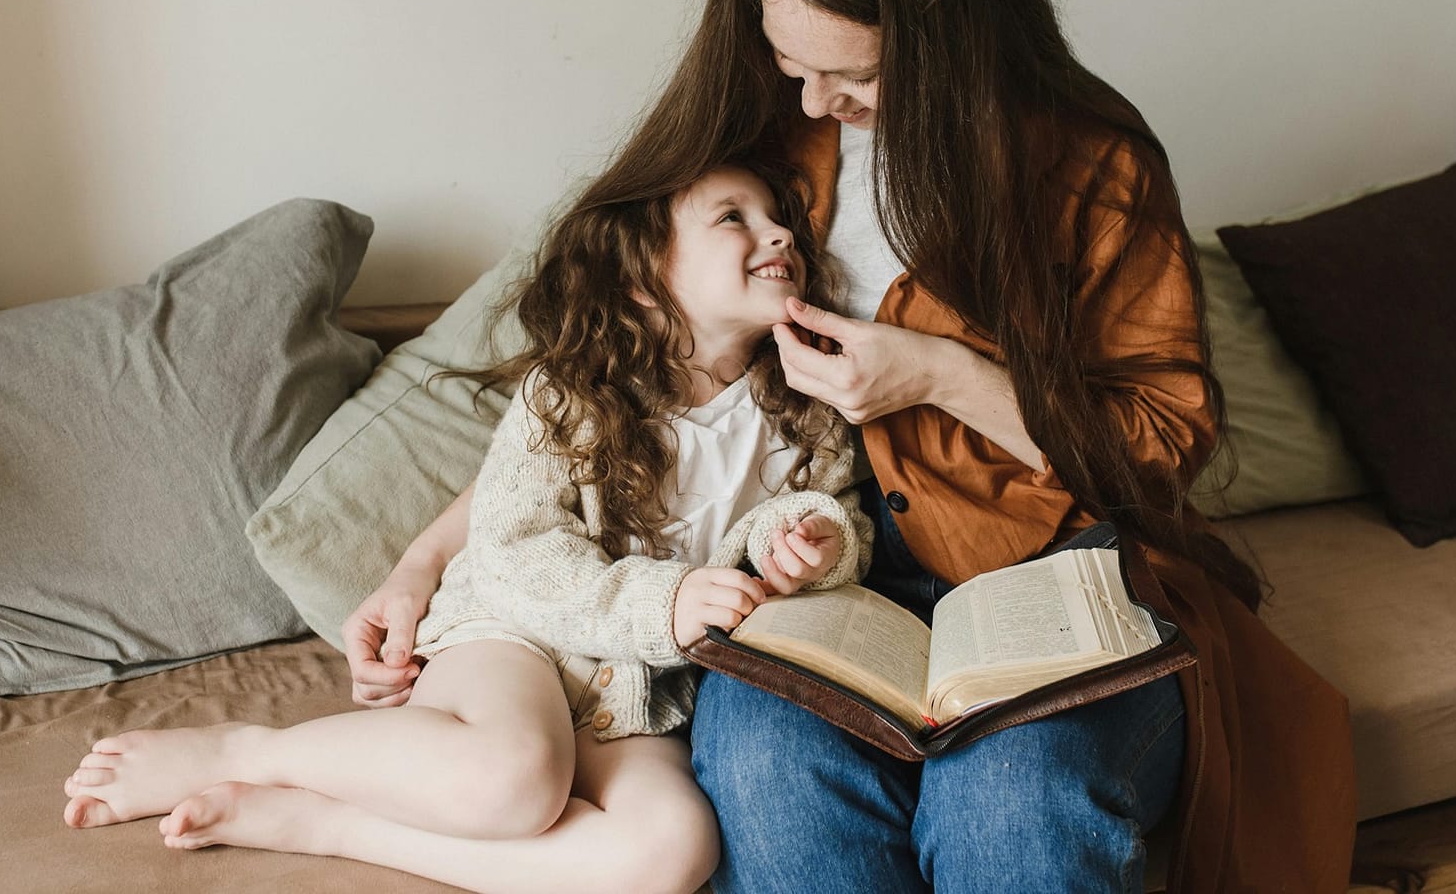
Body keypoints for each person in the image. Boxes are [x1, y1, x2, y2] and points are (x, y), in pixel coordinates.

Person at [347, 0, 1357, 892]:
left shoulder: (1088, 165)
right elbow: (607, 396)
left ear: (950, 48)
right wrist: (419, 567)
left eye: (854, 78)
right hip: (810, 560)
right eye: (790, 63)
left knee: (1015, 807)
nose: (812, 103)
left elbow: (1159, 448)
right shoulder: (767, 155)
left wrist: (937, 374)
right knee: (768, 780)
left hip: (1047, 565)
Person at [59, 158, 873, 894]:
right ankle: (248, 752)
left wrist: (807, 544)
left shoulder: (806, 408)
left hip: (633, 682)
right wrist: (664, 605)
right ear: (641, 278)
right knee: (514, 780)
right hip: (513, 635)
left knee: (671, 851)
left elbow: (824, 511)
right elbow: (514, 552)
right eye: (734, 217)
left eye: (780, 220)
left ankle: (329, 824)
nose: (776, 233)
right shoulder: (572, 394)